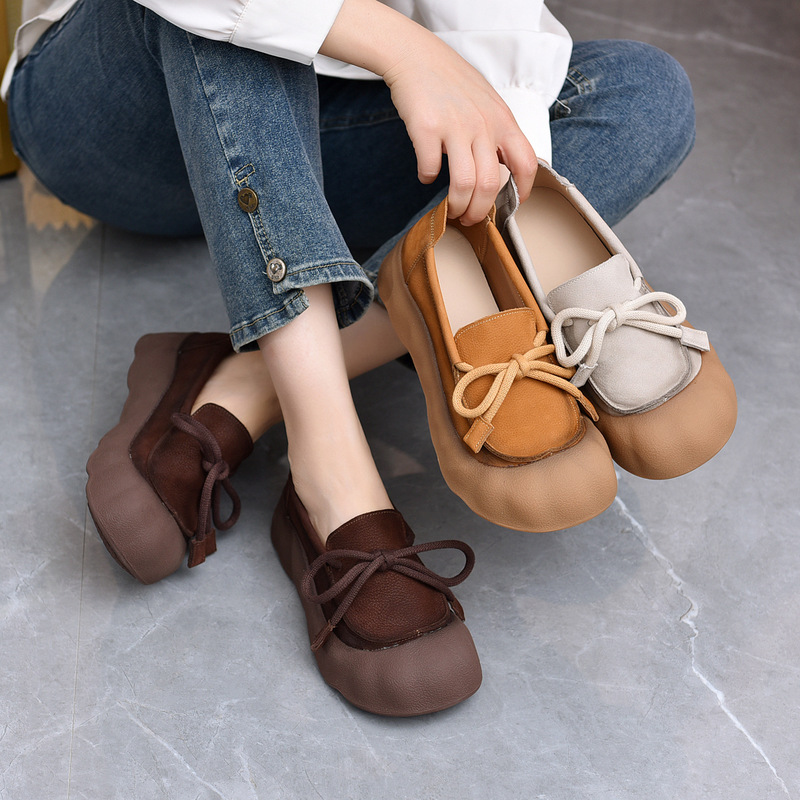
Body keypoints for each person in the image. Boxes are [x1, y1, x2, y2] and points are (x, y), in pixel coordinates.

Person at [3, 0, 697, 716]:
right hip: (119, 115)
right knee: (249, 20)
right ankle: (331, 477)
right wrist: (405, 49)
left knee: (645, 95)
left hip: (324, 132)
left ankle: (250, 383)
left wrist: (487, 164)